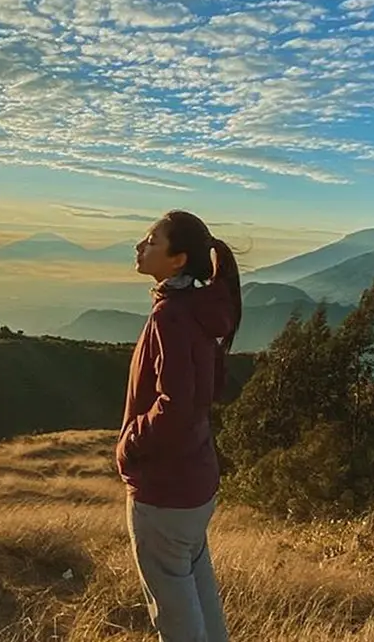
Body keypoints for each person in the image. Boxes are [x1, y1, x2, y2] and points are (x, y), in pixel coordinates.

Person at [115, 209, 242, 642]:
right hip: (195, 481)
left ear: (178, 260)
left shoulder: (170, 316)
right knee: (197, 594)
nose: (140, 246)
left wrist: (131, 443)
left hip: (164, 490)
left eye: (151, 240)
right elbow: (204, 393)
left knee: (175, 615)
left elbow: (177, 405)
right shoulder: (200, 310)